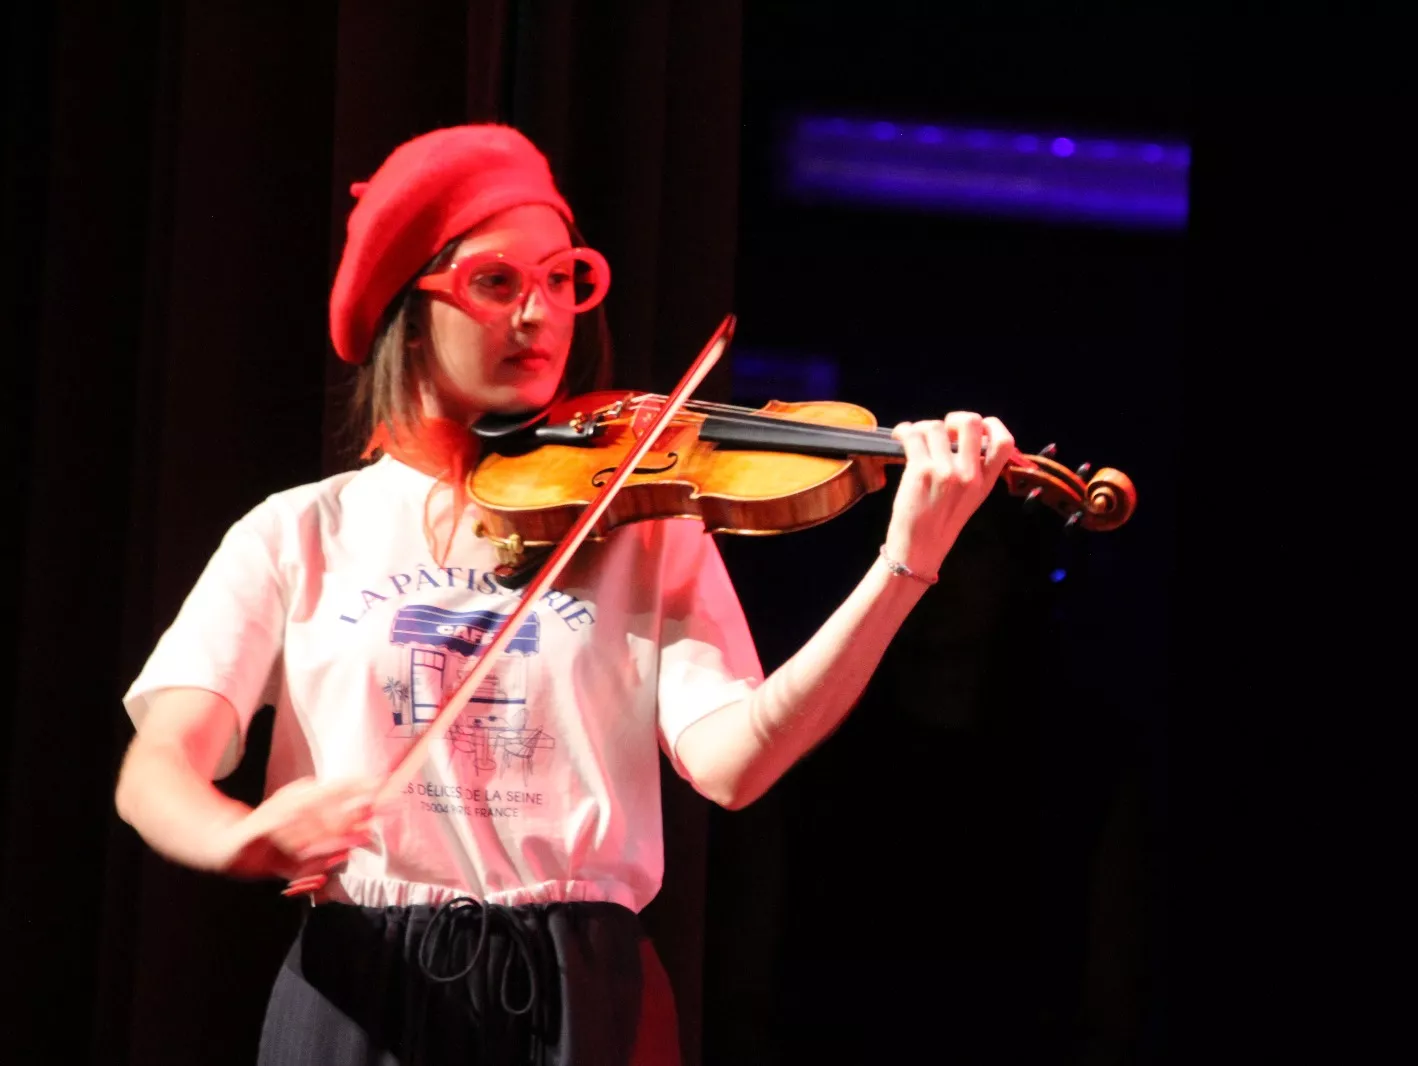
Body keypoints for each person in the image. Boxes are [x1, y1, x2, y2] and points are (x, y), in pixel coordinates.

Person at [114, 123, 1016, 1065]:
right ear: (405, 305)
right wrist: (243, 836)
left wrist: (901, 568)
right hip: (362, 980)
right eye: (495, 282)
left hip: (582, 987)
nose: (539, 313)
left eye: (562, 279)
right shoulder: (300, 531)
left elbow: (733, 762)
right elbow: (159, 766)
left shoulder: (643, 523)